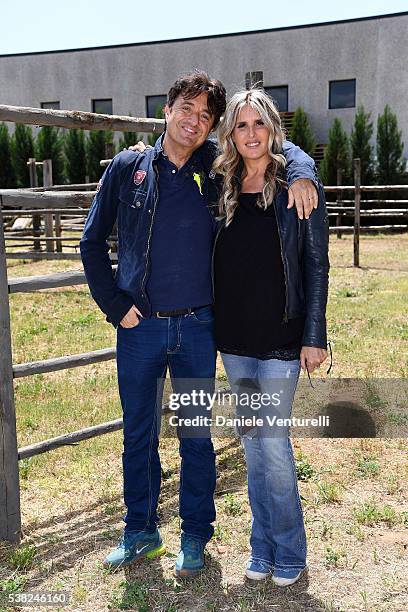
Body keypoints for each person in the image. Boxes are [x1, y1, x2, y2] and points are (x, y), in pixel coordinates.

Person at [80, 70, 319, 578]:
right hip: (139, 327)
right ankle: (140, 530)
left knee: (194, 435)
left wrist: (302, 171)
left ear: (213, 129)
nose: (194, 121)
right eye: (186, 109)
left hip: (196, 330)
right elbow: (90, 242)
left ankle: (195, 535)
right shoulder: (127, 169)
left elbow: (273, 148)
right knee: (138, 433)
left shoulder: (217, 169)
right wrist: (113, 303)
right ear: (167, 111)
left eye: (205, 116)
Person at [212, 89, 329, 586]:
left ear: (272, 128)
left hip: (282, 337)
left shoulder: (296, 185)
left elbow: (316, 263)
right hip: (235, 337)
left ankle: (290, 550)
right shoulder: (221, 182)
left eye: (259, 123)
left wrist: (314, 334)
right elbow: (175, 139)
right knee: (252, 443)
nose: (251, 134)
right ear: (231, 136)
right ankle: (261, 548)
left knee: (274, 443)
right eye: (241, 126)